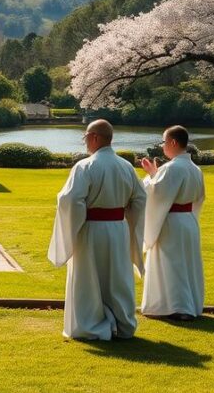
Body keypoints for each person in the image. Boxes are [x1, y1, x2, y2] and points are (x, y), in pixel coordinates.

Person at [48, 119, 146, 340]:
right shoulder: (126, 166)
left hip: (91, 230)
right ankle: (122, 324)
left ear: (94, 137)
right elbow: (140, 199)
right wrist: (128, 222)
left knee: (89, 279)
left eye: (85, 138)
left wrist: (76, 224)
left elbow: (71, 200)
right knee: (117, 278)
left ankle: (91, 325)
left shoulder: (85, 166)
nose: (85, 142)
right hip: (119, 230)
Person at [138, 125, 206, 320]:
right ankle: (189, 305)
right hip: (188, 220)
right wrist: (154, 175)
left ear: (173, 142)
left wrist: (150, 178)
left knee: (172, 264)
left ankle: (178, 307)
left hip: (171, 222)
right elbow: (199, 198)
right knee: (186, 264)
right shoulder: (194, 169)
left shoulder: (172, 168)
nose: (163, 146)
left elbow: (155, 194)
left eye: (164, 142)